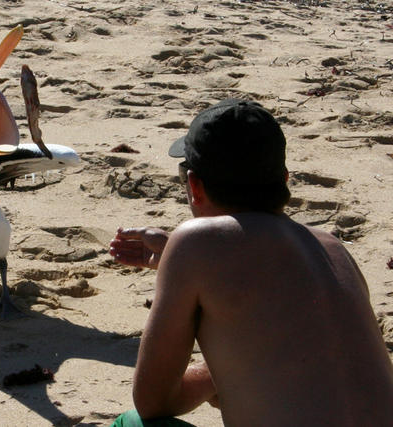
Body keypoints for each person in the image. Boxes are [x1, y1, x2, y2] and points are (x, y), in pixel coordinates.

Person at [109, 99, 393, 426]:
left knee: (132, 424)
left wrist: (217, 371)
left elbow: (154, 402)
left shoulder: (194, 242)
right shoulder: (334, 249)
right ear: (285, 178)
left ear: (194, 186)